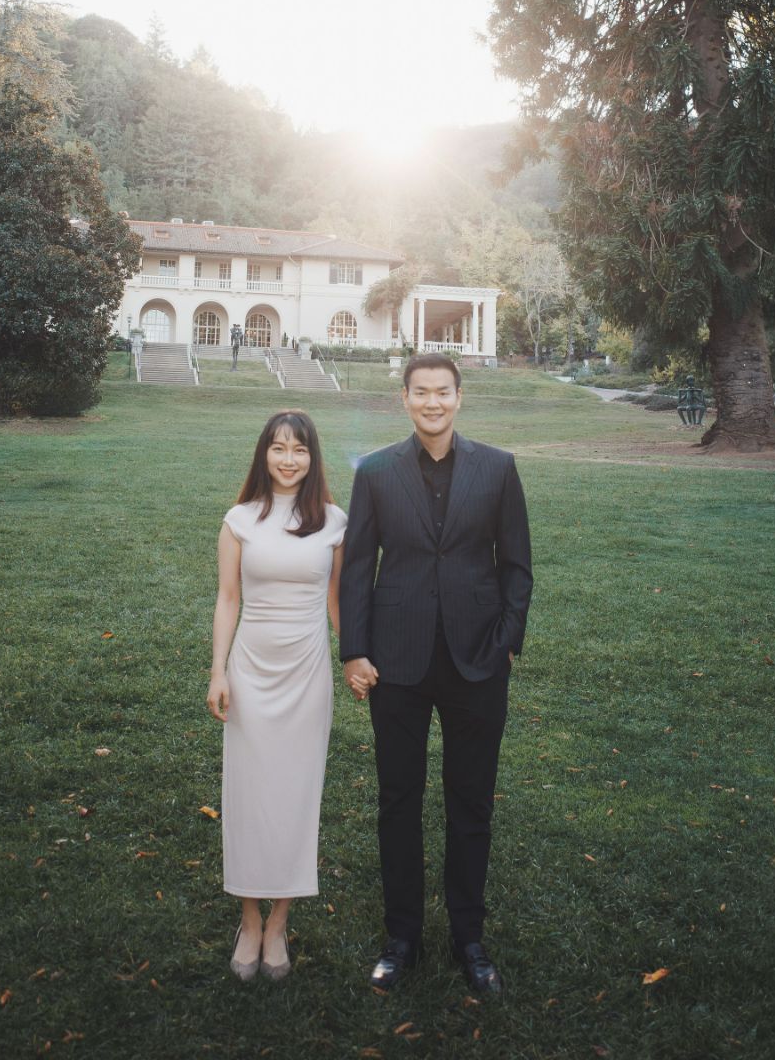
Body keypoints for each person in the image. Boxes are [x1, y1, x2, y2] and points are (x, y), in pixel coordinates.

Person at [340, 353, 532, 997]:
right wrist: (355, 651)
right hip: (395, 661)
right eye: (420, 392)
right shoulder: (375, 472)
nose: (432, 402)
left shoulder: (499, 468)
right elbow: (357, 566)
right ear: (404, 399)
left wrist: (508, 641)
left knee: (471, 802)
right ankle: (401, 940)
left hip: (478, 660)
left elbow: (517, 566)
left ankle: (469, 939)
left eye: (442, 392)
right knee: (398, 801)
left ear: (459, 397)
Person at [207, 410, 346, 981]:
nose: (289, 460)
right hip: (251, 673)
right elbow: (228, 599)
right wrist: (218, 670)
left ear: (313, 459)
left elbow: (339, 604)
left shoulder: (335, 522)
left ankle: (280, 921)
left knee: (297, 792)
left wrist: (357, 659)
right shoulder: (239, 520)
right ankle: (248, 919)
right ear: (263, 454)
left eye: (300, 450)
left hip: (308, 674)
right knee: (247, 791)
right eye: (278, 448)